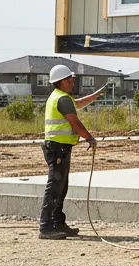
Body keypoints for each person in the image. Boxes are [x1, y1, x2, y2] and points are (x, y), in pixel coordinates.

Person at [39, 64, 106, 240]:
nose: (72, 81)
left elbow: (78, 104)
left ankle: (58, 223)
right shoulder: (62, 99)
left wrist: (95, 95)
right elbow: (74, 123)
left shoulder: (60, 97)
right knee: (55, 188)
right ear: (61, 81)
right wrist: (89, 138)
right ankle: (46, 227)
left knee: (61, 188)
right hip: (57, 148)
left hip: (59, 148)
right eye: (69, 78)